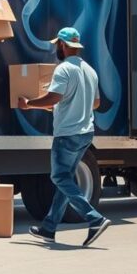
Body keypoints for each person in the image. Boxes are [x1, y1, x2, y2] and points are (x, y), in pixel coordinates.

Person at [19, 26, 112, 247]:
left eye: (57, 45)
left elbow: (53, 97)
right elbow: (96, 103)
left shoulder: (63, 69)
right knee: (66, 180)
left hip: (68, 134)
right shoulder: (90, 70)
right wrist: (67, 106)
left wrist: (29, 104)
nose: (56, 49)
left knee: (59, 178)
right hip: (85, 133)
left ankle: (94, 218)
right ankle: (49, 228)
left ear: (62, 44)